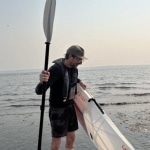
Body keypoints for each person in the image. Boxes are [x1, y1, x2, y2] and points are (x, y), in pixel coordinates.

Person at [35, 45, 87, 150]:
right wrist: (42, 81)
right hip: (58, 110)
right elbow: (39, 91)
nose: (80, 62)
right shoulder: (55, 69)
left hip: (70, 107)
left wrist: (79, 81)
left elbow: (70, 78)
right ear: (70, 56)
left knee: (71, 137)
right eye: (79, 59)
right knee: (56, 142)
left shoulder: (74, 69)